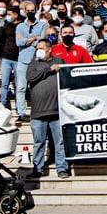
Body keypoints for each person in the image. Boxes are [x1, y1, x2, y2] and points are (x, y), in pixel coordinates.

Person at [26, 40, 70, 178]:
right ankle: (37, 169)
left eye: (41, 48)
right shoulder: (33, 63)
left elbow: (68, 76)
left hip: (57, 111)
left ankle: (62, 168)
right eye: (37, 48)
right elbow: (30, 77)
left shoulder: (59, 61)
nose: (38, 50)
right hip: (38, 113)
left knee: (60, 142)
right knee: (39, 143)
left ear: (49, 49)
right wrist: (49, 69)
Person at [15, 1, 47, 122]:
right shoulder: (19, 26)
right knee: (21, 87)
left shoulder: (42, 25)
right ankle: (21, 112)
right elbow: (19, 43)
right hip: (22, 60)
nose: (30, 12)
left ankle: (38, 110)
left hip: (37, 59)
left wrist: (28, 41)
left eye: (32, 10)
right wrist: (34, 38)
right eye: (27, 10)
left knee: (37, 87)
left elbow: (42, 42)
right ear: (24, 11)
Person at [0, 8, 20, 109]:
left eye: (10, 14)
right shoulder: (6, 25)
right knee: (4, 83)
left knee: (18, 85)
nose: (8, 16)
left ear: (15, 15)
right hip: (6, 57)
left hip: (18, 58)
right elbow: (1, 39)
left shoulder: (21, 26)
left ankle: (19, 106)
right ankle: (3, 104)